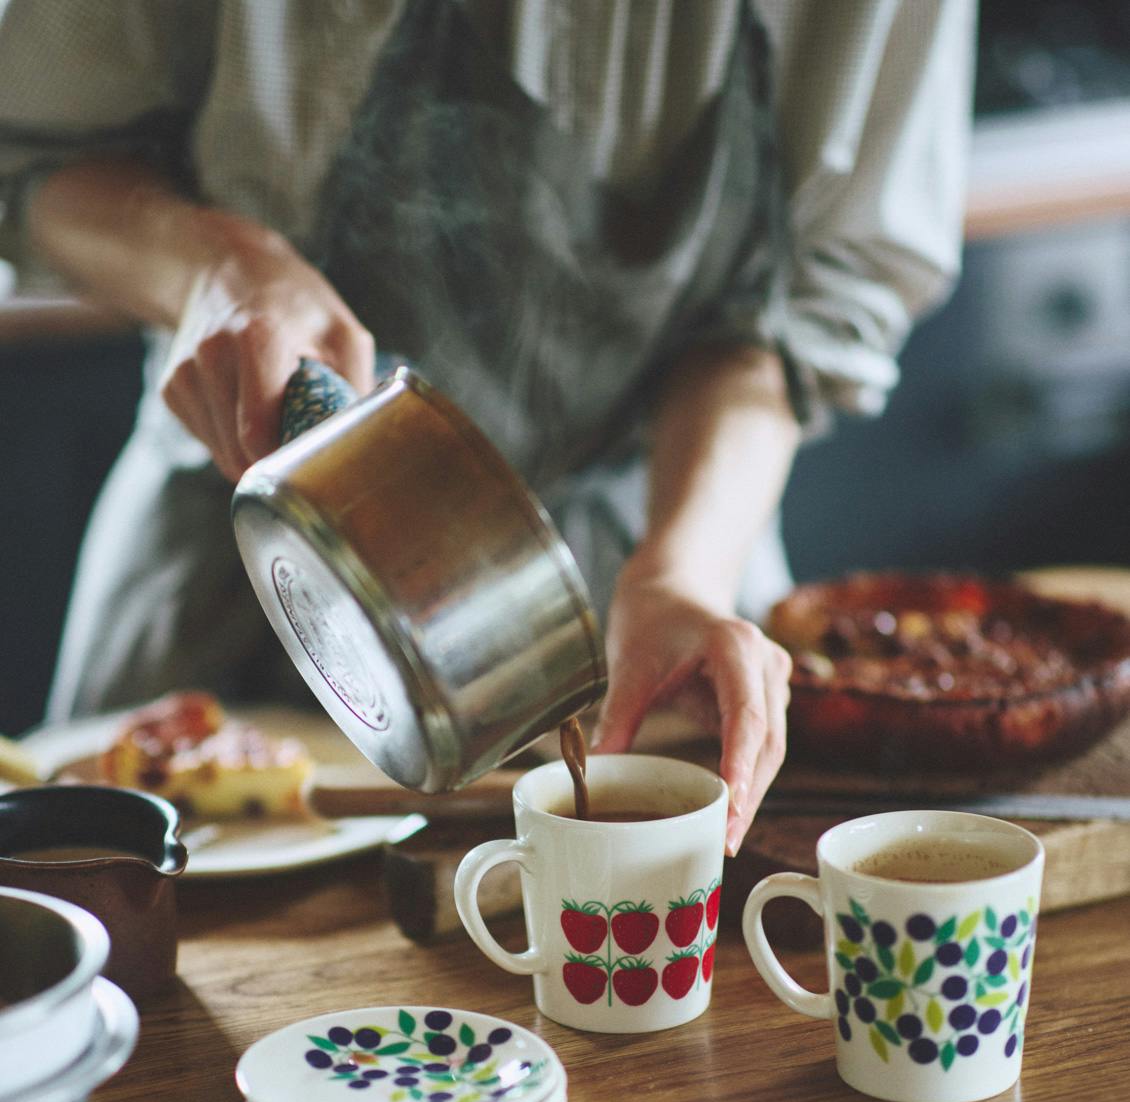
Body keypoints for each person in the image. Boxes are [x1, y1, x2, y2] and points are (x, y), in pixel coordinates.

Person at [0, 0, 975, 855]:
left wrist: (681, 570)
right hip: (231, 576)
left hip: (648, 596)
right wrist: (212, 266)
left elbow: (806, 305)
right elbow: (36, 161)